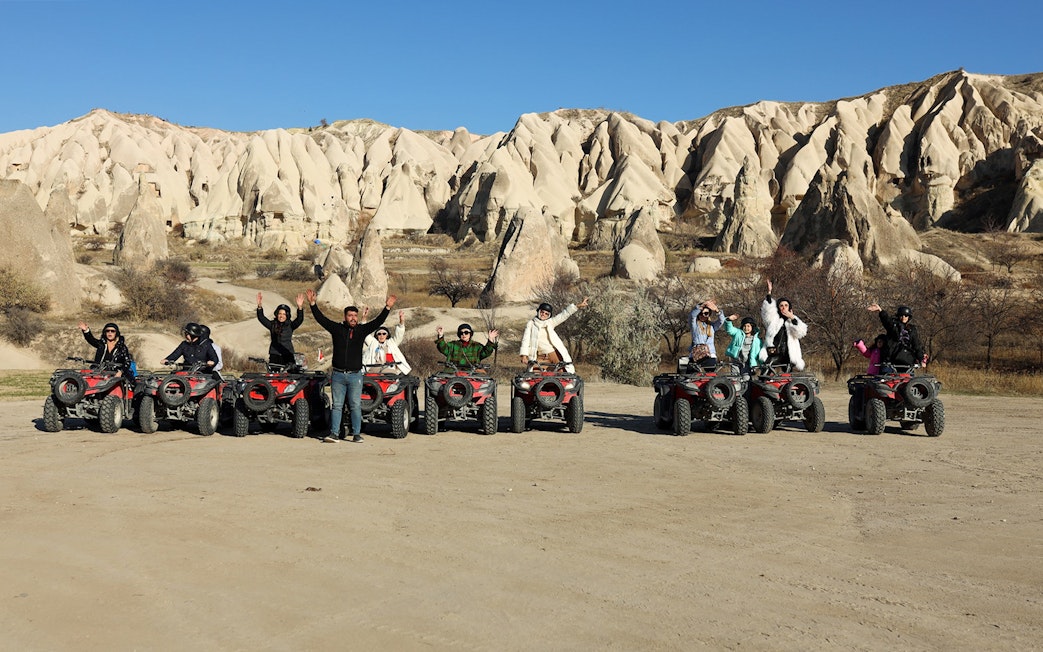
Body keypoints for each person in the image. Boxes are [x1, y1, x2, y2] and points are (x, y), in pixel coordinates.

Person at [308, 288, 396, 443]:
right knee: (337, 406)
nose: (353, 318)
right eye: (350, 315)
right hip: (338, 375)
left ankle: (356, 434)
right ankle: (334, 434)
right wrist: (313, 304)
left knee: (355, 405)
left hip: (355, 376)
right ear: (345, 317)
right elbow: (322, 320)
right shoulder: (337, 329)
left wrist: (387, 308)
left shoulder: (361, 330)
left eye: (355, 315)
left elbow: (377, 322)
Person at [519, 298, 589, 373]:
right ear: (538, 311)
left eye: (546, 314)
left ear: (549, 315)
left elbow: (564, 314)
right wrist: (524, 356)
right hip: (541, 356)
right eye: (542, 312)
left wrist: (578, 306)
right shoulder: (531, 324)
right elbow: (525, 340)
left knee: (563, 373)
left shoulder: (550, 322)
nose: (543, 315)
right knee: (534, 375)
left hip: (554, 353)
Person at [758, 279, 808, 371]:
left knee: (787, 375)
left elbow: (801, 332)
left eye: (786, 305)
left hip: (789, 354)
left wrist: (792, 318)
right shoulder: (774, 319)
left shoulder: (793, 320)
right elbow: (767, 311)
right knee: (766, 371)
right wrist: (769, 293)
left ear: (789, 308)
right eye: (781, 305)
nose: (784, 307)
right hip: (774, 352)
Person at [869, 303, 926, 369]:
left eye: (906, 316)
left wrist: (921, 359)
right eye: (901, 315)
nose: (903, 317)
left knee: (907, 375)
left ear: (909, 317)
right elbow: (887, 321)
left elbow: (916, 345)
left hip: (906, 360)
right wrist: (880, 310)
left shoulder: (912, 329)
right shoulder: (894, 326)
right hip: (891, 360)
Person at [257, 292, 305, 367]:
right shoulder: (272, 325)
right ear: (277, 314)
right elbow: (261, 318)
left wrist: (300, 307)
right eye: (280, 314)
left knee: (289, 373)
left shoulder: (290, 325)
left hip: (288, 354)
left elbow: (300, 319)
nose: (281, 316)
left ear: (287, 315)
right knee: (274, 373)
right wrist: (259, 306)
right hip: (275, 355)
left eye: (284, 314)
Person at [362, 310, 412, 375]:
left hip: (389, 370)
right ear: (376, 336)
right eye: (379, 334)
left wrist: (401, 322)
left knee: (394, 374)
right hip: (374, 369)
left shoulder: (391, 343)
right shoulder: (373, 343)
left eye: (384, 334)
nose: (381, 336)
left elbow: (399, 335)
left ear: (387, 335)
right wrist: (364, 318)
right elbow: (364, 333)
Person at [689, 299, 725, 369]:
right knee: (692, 374)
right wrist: (702, 305)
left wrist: (717, 310)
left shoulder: (712, 326)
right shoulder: (694, 325)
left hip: (710, 355)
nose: (703, 315)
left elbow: (721, 321)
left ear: (709, 314)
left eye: (705, 313)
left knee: (710, 374)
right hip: (696, 355)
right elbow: (692, 316)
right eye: (700, 313)